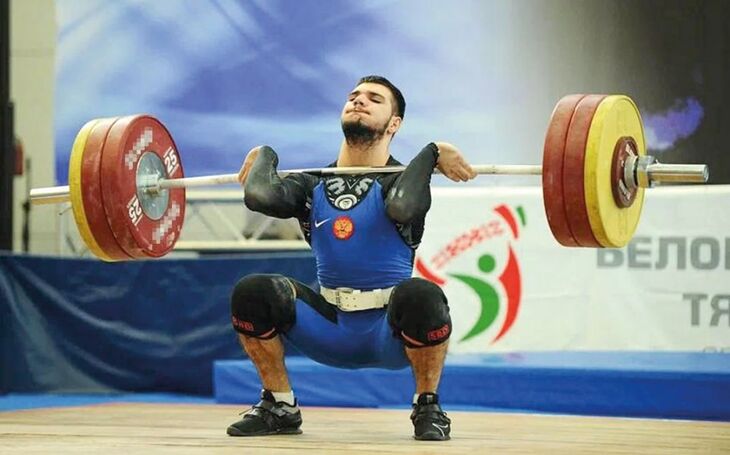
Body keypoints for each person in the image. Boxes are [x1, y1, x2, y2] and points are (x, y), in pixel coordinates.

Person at [228, 75, 476, 441]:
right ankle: (280, 406)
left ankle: (428, 407)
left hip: (389, 333)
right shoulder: (313, 184)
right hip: (327, 328)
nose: (359, 101)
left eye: (374, 99)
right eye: (354, 96)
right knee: (253, 291)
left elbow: (404, 207)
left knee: (422, 294)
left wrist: (433, 151)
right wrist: (265, 153)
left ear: (394, 124)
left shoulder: (399, 180)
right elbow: (260, 196)